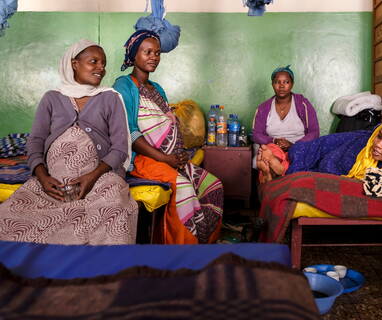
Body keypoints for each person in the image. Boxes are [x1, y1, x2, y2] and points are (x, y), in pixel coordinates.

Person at [0, 39, 138, 244]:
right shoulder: (52, 98)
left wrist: (91, 178)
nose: (101, 68)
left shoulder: (110, 98)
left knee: (117, 205)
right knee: (8, 215)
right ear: (74, 63)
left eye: (104, 63)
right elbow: (36, 141)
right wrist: (42, 176)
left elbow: (119, 148)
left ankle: (100, 268)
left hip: (98, 178)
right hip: (53, 181)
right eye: (94, 61)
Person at [113, 30, 223, 244]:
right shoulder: (124, 86)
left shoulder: (157, 89)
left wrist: (179, 155)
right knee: (183, 188)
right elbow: (130, 131)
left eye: (157, 52)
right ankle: (181, 248)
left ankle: (204, 242)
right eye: (147, 52)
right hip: (143, 159)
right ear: (134, 54)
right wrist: (165, 159)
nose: (154, 57)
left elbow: (165, 125)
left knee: (213, 185)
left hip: (170, 158)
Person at [287, 114, 382, 193]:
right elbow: (326, 147)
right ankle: (283, 162)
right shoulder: (367, 145)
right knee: (319, 148)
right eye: (379, 136)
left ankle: (282, 165)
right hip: (356, 141)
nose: (378, 144)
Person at [252, 65, 320, 183]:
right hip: (274, 146)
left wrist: (294, 144)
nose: (282, 85)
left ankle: (269, 172)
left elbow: (314, 132)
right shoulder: (263, 108)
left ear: (292, 84)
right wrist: (274, 140)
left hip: (298, 147)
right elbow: (255, 134)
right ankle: (274, 165)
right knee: (270, 149)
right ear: (272, 84)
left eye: (286, 82)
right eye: (277, 82)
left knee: (295, 156)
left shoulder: (302, 104)